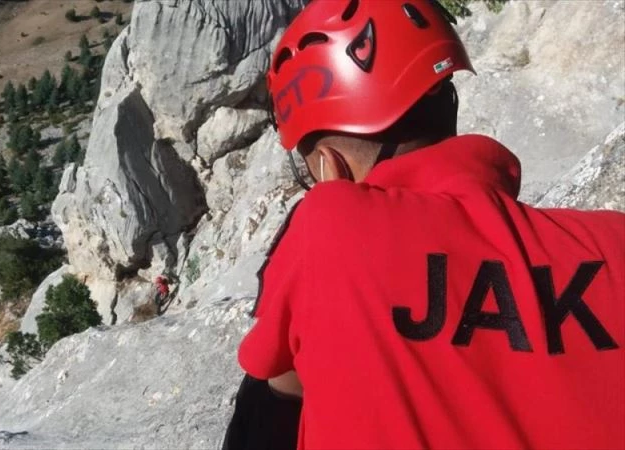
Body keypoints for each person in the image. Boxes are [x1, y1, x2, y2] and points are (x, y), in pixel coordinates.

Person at [228, 0, 625, 449]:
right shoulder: (615, 245)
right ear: (447, 104)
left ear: (327, 167)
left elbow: (273, 393)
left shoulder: (328, 226)